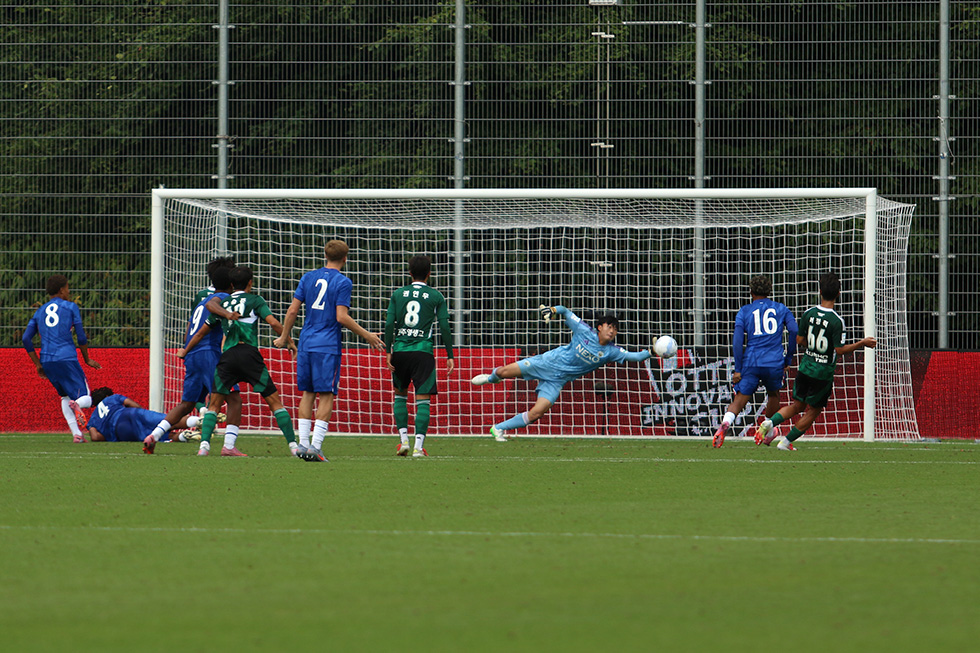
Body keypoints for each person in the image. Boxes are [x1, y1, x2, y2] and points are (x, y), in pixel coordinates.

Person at [170, 265, 300, 457]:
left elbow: (200, 333)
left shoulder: (224, 304)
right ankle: (294, 447)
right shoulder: (255, 300)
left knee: (214, 404)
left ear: (231, 284)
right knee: (274, 402)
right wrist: (288, 341)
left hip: (227, 357)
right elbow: (273, 322)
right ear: (250, 282)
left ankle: (204, 447)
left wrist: (185, 350)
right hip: (249, 355)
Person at [273, 239, 385, 463]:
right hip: (327, 345)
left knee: (307, 393)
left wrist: (285, 337)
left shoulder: (308, 277)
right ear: (345, 258)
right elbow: (341, 317)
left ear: (325, 255)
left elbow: (293, 310)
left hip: (306, 342)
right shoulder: (343, 282)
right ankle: (315, 447)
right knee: (326, 394)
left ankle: (302, 445)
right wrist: (367, 335)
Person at [471, 305, 652, 440]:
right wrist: (552, 310)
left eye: (615, 329)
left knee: (537, 413)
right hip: (545, 363)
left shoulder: (611, 351)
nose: (612, 331)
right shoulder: (583, 330)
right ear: (599, 327)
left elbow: (634, 357)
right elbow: (565, 311)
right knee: (503, 371)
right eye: (609, 326)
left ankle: (498, 428)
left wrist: (651, 352)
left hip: (557, 380)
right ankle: (491, 378)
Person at [756, 272, 877, 450]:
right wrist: (862, 343)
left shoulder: (809, 313)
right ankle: (785, 442)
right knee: (813, 411)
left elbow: (799, 340)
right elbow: (839, 350)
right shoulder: (837, 321)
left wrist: (812, 347)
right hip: (823, 373)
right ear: (838, 294)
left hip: (805, 368)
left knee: (796, 405)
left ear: (820, 291)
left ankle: (769, 423)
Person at [142, 264, 243, 454]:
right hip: (208, 353)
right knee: (234, 399)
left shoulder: (199, 302)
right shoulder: (222, 298)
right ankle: (228, 446)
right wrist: (229, 314)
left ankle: (153, 436)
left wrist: (186, 349)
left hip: (193, 353)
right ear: (231, 284)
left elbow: (191, 328)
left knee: (187, 404)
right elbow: (212, 306)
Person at [712, 275, 798, 448]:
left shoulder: (744, 311)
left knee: (741, 397)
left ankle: (726, 422)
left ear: (750, 292)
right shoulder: (781, 308)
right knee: (773, 394)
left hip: (751, 361)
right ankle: (767, 426)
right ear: (769, 291)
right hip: (774, 362)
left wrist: (738, 368)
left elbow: (737, 340)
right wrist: (788, 359)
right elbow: (794, 330)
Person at [384, 255, 455, 457]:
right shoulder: (436, 296)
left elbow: (390, 324)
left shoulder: (398, 294)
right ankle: (418, 447)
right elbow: (444, 326)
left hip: (400, 350)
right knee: (422, 399)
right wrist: (450, 354)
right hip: (423, 352)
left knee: (400, 395)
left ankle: (403, 441)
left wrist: (389, 351)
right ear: (429, 273)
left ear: (409, 273)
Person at [22, 274, 102, 443]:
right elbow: (81, 337)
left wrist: (37, 364)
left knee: (65, 396)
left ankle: (77, 435)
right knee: (85, 397)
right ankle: (78, 405)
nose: (69, 291)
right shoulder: (71, 307)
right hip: (66, 357)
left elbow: (26, 339)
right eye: (67, 288)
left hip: (47, 360)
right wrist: (87, 359)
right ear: (61, 290)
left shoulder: (39, 311)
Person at [87, 387, 199, 444]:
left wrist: (108, 435)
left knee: (158, 437)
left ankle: (183, 436)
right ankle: (198, 420)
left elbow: (95, 437)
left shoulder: (93, 418)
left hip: (121, 431)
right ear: (106, 395)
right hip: (130, 414)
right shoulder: (112, 398)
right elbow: (131, 404)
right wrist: (142, 414)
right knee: (167, 422)